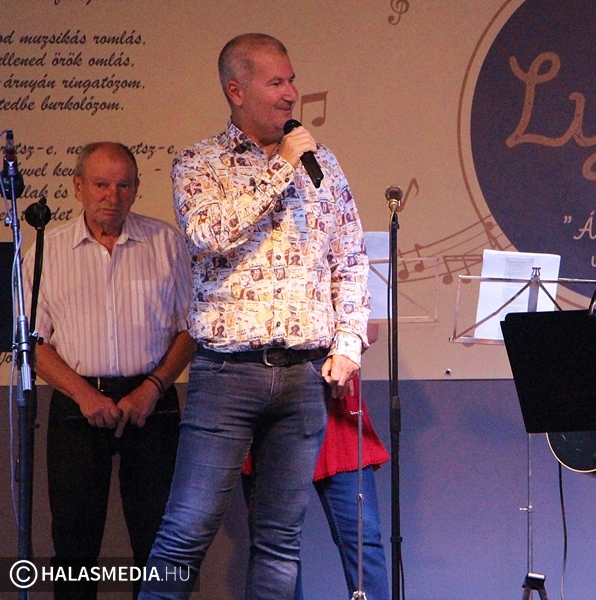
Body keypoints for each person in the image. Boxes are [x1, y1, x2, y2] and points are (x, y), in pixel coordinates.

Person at [140, 32, 369, 599]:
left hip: (304, 376)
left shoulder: (323, 163)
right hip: (227, 375)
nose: (291, 94)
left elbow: (349, 257)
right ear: (236, 91)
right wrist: (280, 168)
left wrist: (347, 342)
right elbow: (208, 234)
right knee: (186, 530)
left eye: (292, 80)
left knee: (280, 541)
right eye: (276, 82)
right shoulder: (199, 162)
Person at [24, 141, 195, 599]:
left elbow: (192, 328)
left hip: (152, 402)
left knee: (159, 542)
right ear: (78, 187)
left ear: (136, 189)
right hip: (76, 402)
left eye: (123, 186)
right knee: (73, 546)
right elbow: (31, 342)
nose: (111, 196)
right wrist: (84, 395)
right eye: (101, 184)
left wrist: (153, 387)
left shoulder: (167, 243)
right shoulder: (46, 250)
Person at [241, 323, 390, 600]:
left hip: (333, 397)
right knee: (275, 547)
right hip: (270, 395)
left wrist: (338, 351)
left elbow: (369, 329)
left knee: (363, 538)